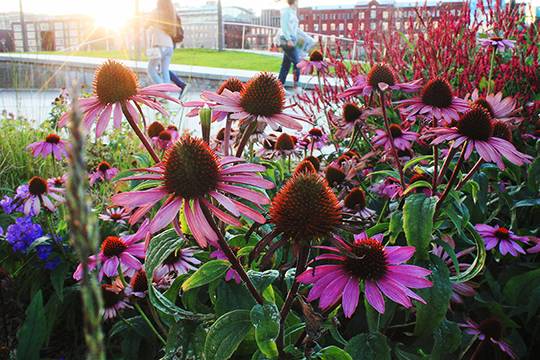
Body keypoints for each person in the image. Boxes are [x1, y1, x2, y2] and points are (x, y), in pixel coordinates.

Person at [146, 0, 186, 95]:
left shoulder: (156, 12)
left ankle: (165, 91)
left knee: (151, 69)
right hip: (169, 46)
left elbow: (146, 24)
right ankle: (168, 92)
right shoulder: (171, 14)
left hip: (159, 44)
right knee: (164, 71)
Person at [278, 0, 301, 90]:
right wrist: (289, 39)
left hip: (293, 39)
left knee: (286, 64)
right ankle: (296, 87)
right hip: (287, 39)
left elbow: (293, 28)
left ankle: (279, 87)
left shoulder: (293, 12)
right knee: (297, 63)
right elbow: (284, 26)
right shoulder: (286, 11)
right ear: (294, 1)